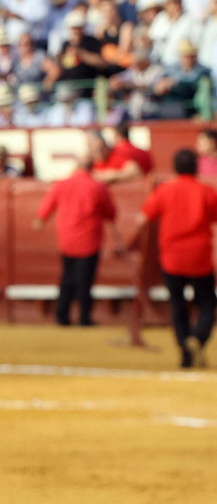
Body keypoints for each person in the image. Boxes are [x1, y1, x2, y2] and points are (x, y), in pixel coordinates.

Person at [127, 149, 217, 368]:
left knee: (177, 306)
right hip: (199, 257)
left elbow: (143, 218)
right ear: (195, 167)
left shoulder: (165, 190)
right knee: (207, 303)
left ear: (175, 167)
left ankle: (185, 355)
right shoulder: (206, 191)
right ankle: (198, 337)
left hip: (172, 258)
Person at [35, 146, 118, 327]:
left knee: (67, 278)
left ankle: (62, 315)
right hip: (89, 240)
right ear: (91, 168)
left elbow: (47, 206)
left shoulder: (62, 184)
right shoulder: (97, 186)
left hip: (67, 238)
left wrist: (40, 220)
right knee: (85, 281)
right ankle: (84, 317)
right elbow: (110, 212)